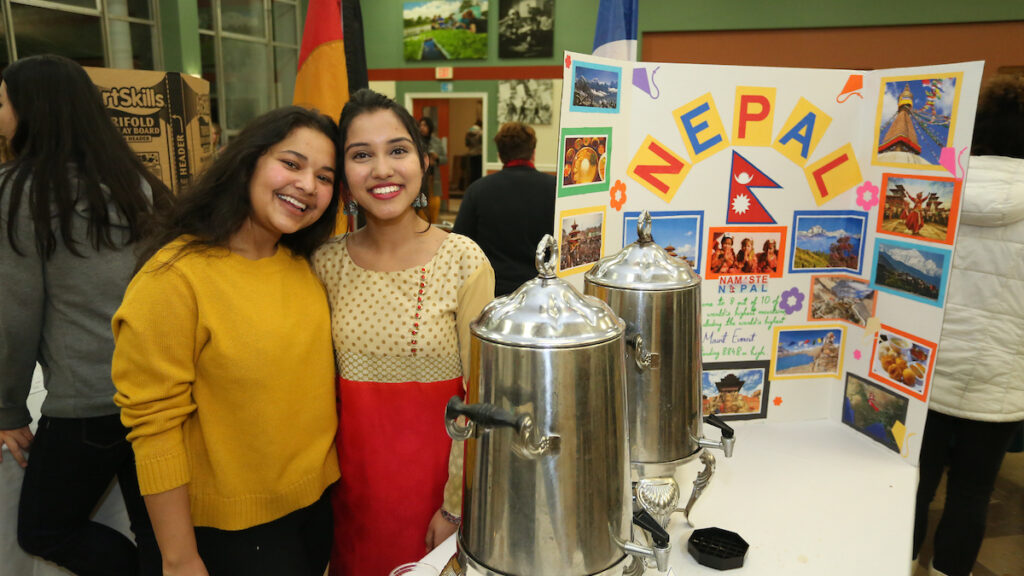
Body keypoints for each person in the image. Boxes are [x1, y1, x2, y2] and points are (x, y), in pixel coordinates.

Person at [111, 106, 342, 576]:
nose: (308, 185)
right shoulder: (175, 277)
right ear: (247, 162)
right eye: (292, 164)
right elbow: (154, 426)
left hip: (313, 513)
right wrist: (178, 558)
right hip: (226, 536)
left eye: (325, 176)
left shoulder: (302, 266)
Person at [313, 89, 494, 575]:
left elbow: (481, 394)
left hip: (437, 497)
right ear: (344, 177)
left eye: (397, 150)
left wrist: (457, 505)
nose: (382, 169)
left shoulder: (464, 260)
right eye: (360, 155)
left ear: (423, 162)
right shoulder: (323, 263)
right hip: (349, 495)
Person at [0, 54, 169, 575]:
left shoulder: (23, 190)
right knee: (160, 535)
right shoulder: (136, 182)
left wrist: (7, 409)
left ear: (32, 110)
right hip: (159, 394)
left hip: (89, 403)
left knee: (44, 528)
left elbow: (15, 314)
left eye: (1, 102)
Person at [912, 74, 1024, 576]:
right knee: (973, 492)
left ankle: (896, 563)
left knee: (913, 481)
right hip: (1001, 378)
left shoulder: (932, 189)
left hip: (923, 367)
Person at [453, 121, 556, 296]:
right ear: (533, 153)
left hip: (491, 293)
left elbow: (459, 243)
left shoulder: (478, 190)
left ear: (500, 155)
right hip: (541, 292)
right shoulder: (555, 190)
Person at [419, 116, 447, 223]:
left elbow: (445, 159)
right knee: (421, 202)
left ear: (430, 127)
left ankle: (434, 224)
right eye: (420, 125)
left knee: (434, 202)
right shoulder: (415, 141)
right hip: (420, 176)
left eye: (425, 125)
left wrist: (437, 158)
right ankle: (422, 223)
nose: (422, 128)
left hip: (433, 177)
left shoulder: (437, 142)